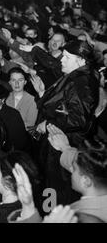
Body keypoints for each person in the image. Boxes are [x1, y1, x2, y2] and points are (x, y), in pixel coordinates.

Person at [34, 40, 99, 205]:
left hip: (63, 146)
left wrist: (48, 123)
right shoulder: (78, 75)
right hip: (59, 143)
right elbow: (54, 66)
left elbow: (79, 119)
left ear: (81, 60)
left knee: (57, 193)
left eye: (67, 57)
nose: (62, 60)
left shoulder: (82, 81)